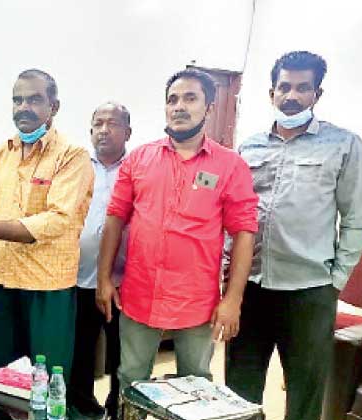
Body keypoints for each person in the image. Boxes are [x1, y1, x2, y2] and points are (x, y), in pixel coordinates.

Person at [96, 69, 259, 409]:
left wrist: (233, 299)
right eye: (172, 99)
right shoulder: (139, 159)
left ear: (208, 107)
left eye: (190, 98)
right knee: (130, 379)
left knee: (196, 386)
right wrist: (104, 279)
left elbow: (244, 233)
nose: (179, 106)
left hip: (196, 302)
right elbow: (115, 219)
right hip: (139, 295)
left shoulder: (230, 165)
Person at [225, 51, 362, 420]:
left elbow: (357, 219)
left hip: (309, 290)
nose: (292, 95)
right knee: (239, 391)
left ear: (317, 94)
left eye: (303, 88)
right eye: (285, 86)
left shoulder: (344, 145)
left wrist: (335, 282)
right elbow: (234, 216)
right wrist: (228, 273)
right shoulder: (249, 147)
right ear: (271, 92)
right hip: (251, 287)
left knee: (305, 393)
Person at [0, 69, 94, 384]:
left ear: (54, 107)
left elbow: (58, 219)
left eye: (34, 100)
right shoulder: (3, 152)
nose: (23, 108)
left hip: (47, 286)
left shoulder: (73, 155)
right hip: (1, 279)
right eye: (17, 100)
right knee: (0, 373)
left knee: (47, 378)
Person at [70, 102, 131, 420]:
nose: (104, 130)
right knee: (79, 351)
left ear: (128, 132)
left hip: (124, 282)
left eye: (113, 123)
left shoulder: (137, 168)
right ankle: (85, 409)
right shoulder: (76, 167)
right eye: (98, 124)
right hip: (79, 277)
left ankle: (117, 408)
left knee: (124, 355)